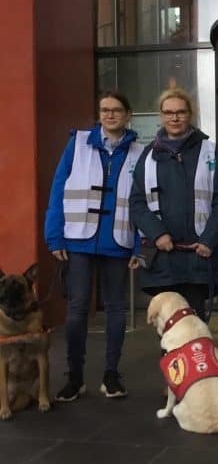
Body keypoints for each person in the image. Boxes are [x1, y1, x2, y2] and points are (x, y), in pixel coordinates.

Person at [45, 91, 144, 401]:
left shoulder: (140, 153)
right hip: (78, 239)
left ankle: (111, 375)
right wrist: (55, 236)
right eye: (104, 110)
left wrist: (140, 246)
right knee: (76, 310)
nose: (110, 115)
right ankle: (74, 377)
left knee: (116, 309)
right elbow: (58, 188)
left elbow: (145, 202)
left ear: (128, 115)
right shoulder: (77, 145)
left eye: (116, 110)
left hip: (119, 240)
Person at [129, 87, 218, 322]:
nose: (174, 118)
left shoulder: (209, 151)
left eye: (180, 112)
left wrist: (209, 240)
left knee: (195, 327)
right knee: (168, 331)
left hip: (198, 256)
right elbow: (137, 203)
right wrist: (157, 234)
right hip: (162, 261)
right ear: (161, 115)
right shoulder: (148, 155)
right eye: (168, 112)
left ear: (190, 114)